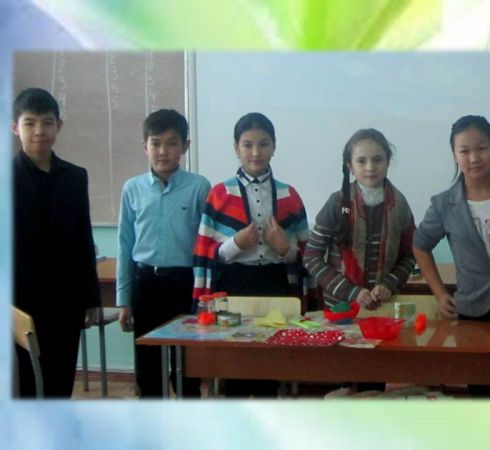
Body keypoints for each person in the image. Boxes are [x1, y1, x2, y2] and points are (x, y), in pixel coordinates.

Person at [192, 112, 308, 397]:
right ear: (236, 148)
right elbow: (208, 255)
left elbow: (304, 256)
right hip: (233, 286)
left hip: (275, 283)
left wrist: (284, 248)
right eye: (247, 145)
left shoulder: (289, 195)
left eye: (264, 144)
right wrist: (236, 244)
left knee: (269, 362)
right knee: (236, 364)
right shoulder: (219, 195)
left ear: (274, 146)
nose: (256, 152)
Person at [12, 87, 100, 397]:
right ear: (15, 128)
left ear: (58, 126)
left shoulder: (75, 177)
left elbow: (83, 238)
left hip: (65, 300)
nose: (39, 131)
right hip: (19, 301)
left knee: (60, 381)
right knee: (24, 385)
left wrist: (91, 297)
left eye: (47, 122)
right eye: (30, 123)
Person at [117, 109, 211, 398]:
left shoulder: (199, 187)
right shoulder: (132, 189)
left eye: (172, 143)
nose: (163, 151)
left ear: (185, 146)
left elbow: (207, 245)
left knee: (187, 366)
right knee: (148, 368)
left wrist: (206, 297)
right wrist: (124, 300)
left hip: (185, 285)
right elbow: (124, 244)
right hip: (145, 284)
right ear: (144, 146)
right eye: (155, 143)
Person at [413, 115, 490, 322]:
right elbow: (420, 245)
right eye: (464, 151)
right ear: (454, 156)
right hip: (471, 310)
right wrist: (440, 294)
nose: (474, 158)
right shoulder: (444, 204)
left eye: (481, 148)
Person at [303, 128, 415, 311]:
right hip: (340, 309)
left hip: (384, 308)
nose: (370, 167)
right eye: (361, 161)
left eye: (377, 160)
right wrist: (351, 291)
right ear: (350, 167)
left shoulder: (400, 205)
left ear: (388, 162)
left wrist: (389, 283)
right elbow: (311, 257)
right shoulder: (337, 203)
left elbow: (410, 255)